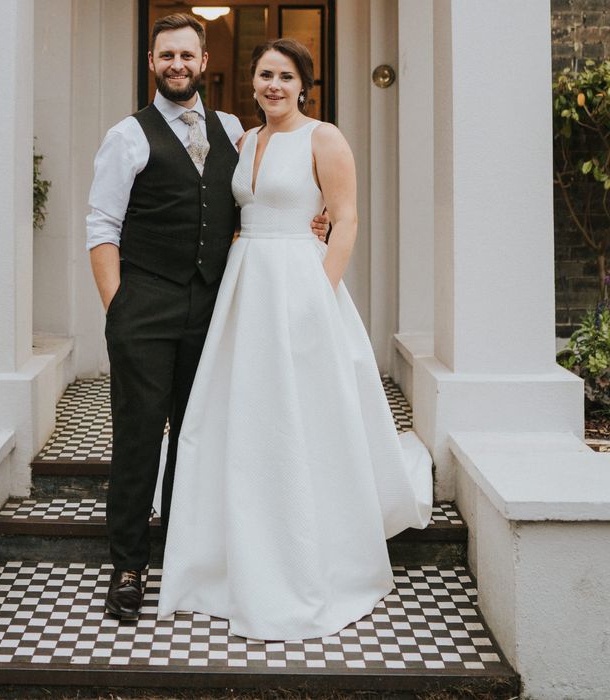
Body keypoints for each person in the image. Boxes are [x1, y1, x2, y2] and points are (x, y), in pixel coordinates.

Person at [157, 38, 433, 641]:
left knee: (302, 417)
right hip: (244, 285)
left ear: (304, 84)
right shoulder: (244, 141)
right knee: (241, 415)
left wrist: (319, 294)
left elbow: (346, 217)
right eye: (264, 75)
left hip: (300, 286)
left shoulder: (325, 137)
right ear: (251, 83)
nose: (273, 85)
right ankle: (229, 548)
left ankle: (311, 550)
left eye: (285, 76)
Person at [86, 15, 328, 621]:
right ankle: (130, 565)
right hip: (144, 306)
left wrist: (312, 225)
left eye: (187, 55)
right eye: (166, 54)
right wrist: (118, 307)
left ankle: (184, 549)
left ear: (202, 61)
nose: (177, 64)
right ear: (152, 61)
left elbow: (264, 193)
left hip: (215, 308)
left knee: (201, 433)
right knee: (141, 434)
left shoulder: (232, 131)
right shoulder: (127, 135)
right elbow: (102, 226)